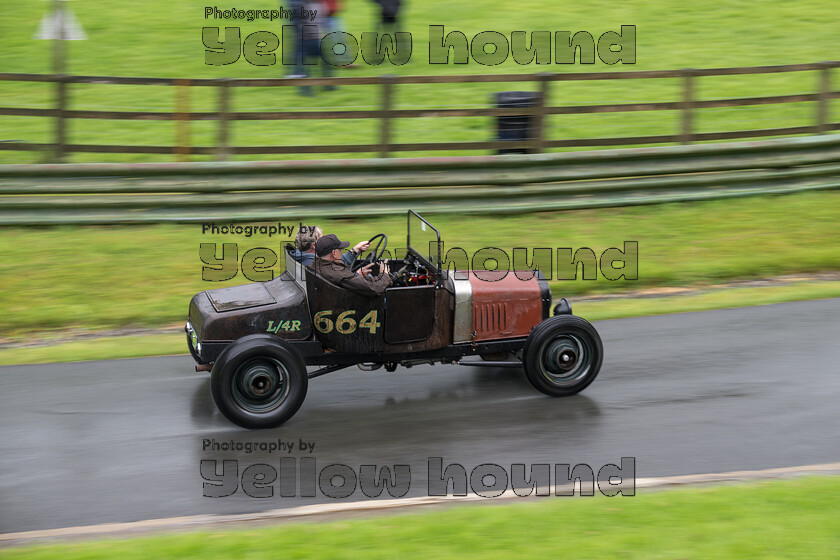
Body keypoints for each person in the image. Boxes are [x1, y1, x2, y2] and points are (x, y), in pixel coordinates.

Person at [312, 234, 392, 296]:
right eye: (340, 250)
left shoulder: (316, 264)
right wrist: (384, 274)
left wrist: (355, 250)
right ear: (334, 253)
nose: (342, 253)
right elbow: (374, 288)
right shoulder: (338, 273)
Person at [290, 226, 369, 266]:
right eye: (322, 239)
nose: (325, 240)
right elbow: (337, 272)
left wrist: (354, 250)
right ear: (314, 246)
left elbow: (337, 262)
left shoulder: (301, 256)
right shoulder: (315, 264)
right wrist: (359, 275)